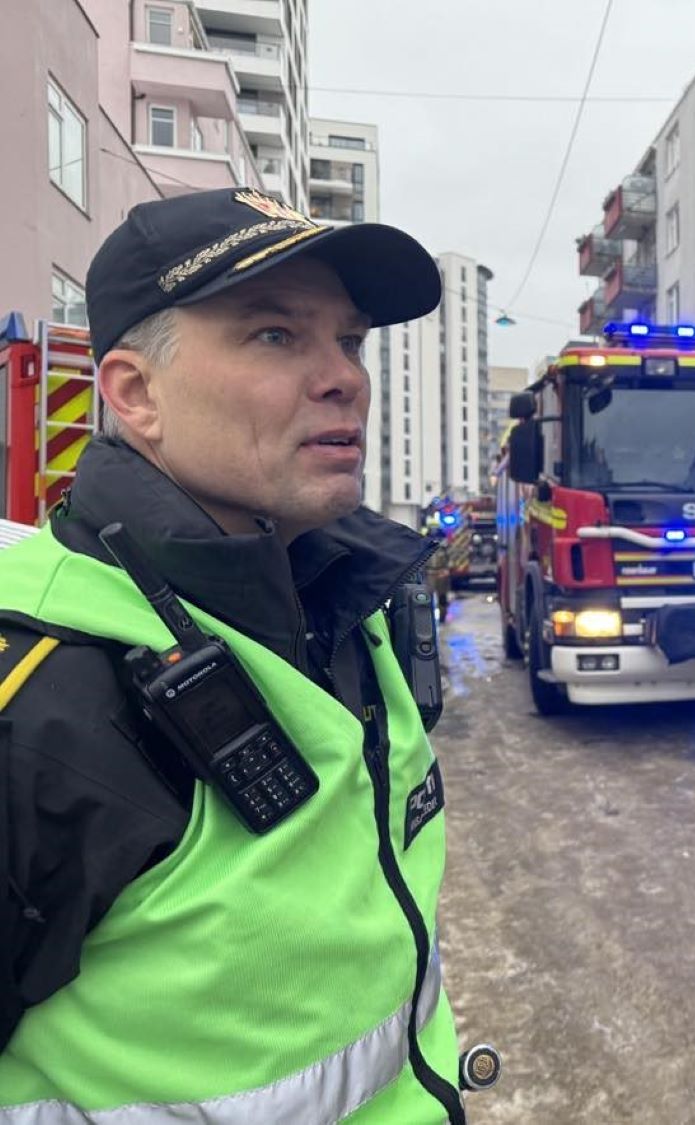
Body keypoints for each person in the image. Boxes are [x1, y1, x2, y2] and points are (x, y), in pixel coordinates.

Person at [0, 188, 468, 1121]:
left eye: (351, 339)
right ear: (135, 393)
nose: (344, 378)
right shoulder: (42, 698)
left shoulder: (352, 605)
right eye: (274, 336)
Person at [426, 526, 454, 622]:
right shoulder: (426, 548)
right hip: (429, 573)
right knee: (427, 597)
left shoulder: (444, 548)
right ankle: (427, 618)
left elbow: (450, 561)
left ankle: (443, 616)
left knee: (442, 597)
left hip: (441, 573)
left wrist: (446, 570)